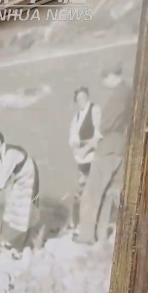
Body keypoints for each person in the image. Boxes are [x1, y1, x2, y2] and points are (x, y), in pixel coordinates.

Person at [77, 64, 131, 244]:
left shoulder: (118, 95)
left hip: (108, 148)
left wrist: (87, 146)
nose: (103, 83)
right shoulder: (129, 91)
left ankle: (86, 236)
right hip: (121, 148)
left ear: (110, 76)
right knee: (108, 193)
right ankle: (100, 235)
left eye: (104, 79)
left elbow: (105, 126)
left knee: (92, 192)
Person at [0, 132, 41, 249]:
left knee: (24, 208)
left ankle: (22, 244)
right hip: (18, 177)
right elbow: (3, 181)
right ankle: (7, 238)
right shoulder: (1, 157)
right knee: (11, 202)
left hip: (29, 175)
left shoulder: (10, 154)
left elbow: (1, 181)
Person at [67, 87, 102, 231]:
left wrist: (85, 149)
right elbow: (73, 137)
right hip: (81, 159)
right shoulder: (76, 116)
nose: (81, 100)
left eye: (83, 97)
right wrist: (76, 148)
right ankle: (77, 223)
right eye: (78, 99)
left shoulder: (95, 110)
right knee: (80, 190)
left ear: (87, 96)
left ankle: (92, 223)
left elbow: (98, 135)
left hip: (93, 156)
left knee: (94, 190)